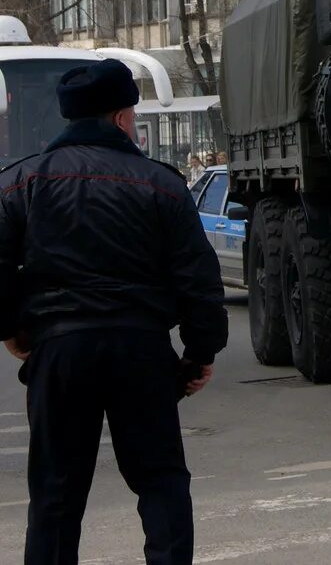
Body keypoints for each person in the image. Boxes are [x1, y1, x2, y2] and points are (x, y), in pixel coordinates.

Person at [0, 60, 228, 565]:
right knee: (161, 481)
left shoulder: (22, 182)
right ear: (123, 119)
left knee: (56, 493)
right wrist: (199, 352)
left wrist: (13, 330)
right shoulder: (162, 185)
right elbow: (198, 278)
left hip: (59, 349)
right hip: (140, 350)